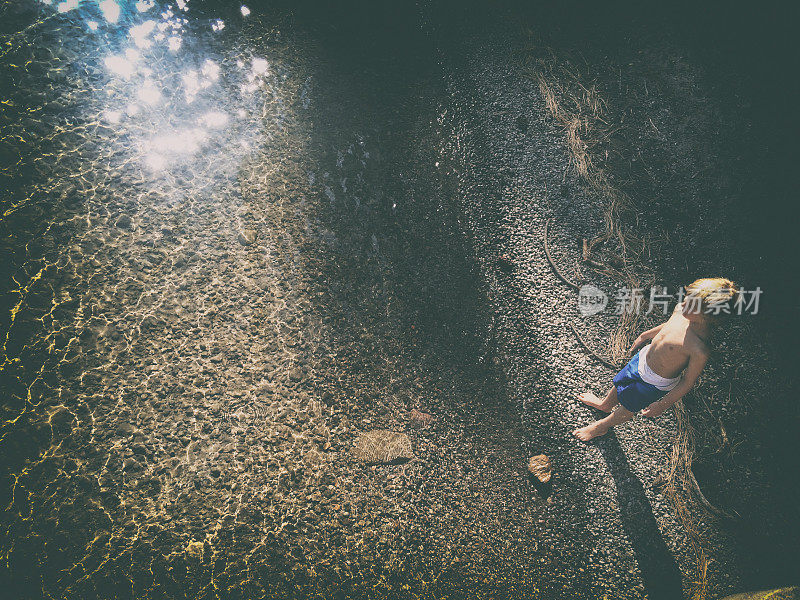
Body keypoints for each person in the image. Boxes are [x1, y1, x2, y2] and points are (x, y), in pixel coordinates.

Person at [572, 277, 739, 442]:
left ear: (709, 317)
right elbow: (667, 326)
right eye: (689, 297)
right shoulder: (681, 310)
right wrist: (645, 335)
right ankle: (605, 405)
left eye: (693, 305)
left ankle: (601, 427)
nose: (685, 303)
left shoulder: (699, 348)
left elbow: (687, 382)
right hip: (642, 359)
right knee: (620, 382)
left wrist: (663, 404)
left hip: (653, 382)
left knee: (628, 407)